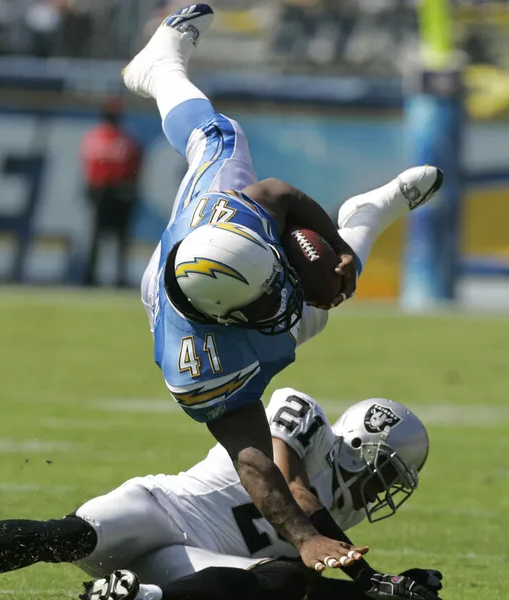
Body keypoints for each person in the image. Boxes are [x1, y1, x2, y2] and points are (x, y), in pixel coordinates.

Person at [125, 2, 443, 577]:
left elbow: (283, 194)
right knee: (322, 308)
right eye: (265, 298)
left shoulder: (238, 218)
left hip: (206, 229)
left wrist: (334, 245)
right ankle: (367, 215)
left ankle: (160, 66)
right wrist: (305, 541)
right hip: (177, 301)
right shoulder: (194, 361)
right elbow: (254, 463)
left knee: (219, 135)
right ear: (230, 314)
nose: (282, 294)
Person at [0, 388, 442, 600]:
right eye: (385, 473)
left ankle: (134, 597)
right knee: (64, 535)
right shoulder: (303, 414)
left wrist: (397, 590)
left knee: (282, 585)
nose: (384, 490)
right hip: (163, 510)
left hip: (191, 565)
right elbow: (291, 486)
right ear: (360, 447)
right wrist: (366, 576)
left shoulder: (335, 533)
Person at [80, 97, 143, 287]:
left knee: (119, 238)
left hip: (117, 191)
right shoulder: (103, 138)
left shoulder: (120, 139)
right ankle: (91, 277)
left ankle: (118, 277)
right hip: (104, 191)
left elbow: (135, 166)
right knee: (98, 237)